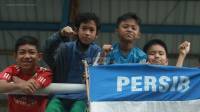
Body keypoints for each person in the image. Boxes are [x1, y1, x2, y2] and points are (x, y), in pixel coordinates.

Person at [43, 12, 101, 112]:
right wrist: (60, 35)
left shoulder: (98, 52)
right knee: (51, 109)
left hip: (82, 99)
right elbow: (47, 53)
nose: (87, 33)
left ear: (96, 35)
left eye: (91, 30)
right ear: (76, 30)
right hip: (60, 96)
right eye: (84, 28)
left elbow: (102, 77)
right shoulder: (65, 48)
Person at [0, 36, 52, 112]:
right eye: (22, 52)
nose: (27, 56)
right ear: (15, 56)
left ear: (39, 56)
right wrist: (19, 85)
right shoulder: (12, 70)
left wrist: (19, 82)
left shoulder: (45, 73)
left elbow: (32, 86)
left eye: (31, 52)